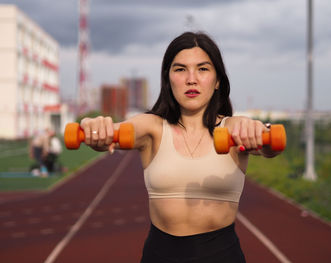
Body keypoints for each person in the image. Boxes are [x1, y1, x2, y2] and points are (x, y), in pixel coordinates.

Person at [80, 32, 281, 263]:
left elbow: (270, 146)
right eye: (180, 69)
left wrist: (260, 131)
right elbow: (110, 132)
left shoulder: (234, 128)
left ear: (217, 81)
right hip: (160, 255)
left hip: (222, 255)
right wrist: (92, 124)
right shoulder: (152, 128)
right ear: (168, 79)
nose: (191, 79)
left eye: (203, 69)